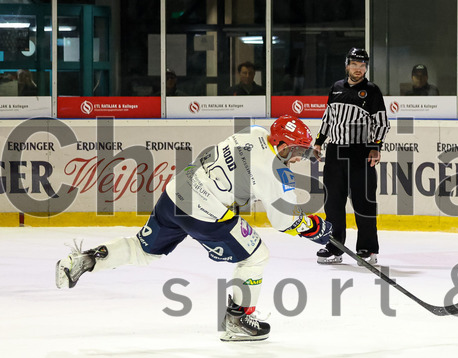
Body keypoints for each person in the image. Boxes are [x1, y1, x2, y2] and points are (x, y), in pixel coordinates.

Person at [54, 116, 333, 342]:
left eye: (302, 152)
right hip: (204, 211)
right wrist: (313, 227)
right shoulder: (276, 173)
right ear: (282, 144)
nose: (298, 157)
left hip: (178, 190)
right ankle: (237, 320)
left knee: (142, 249)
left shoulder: (255, 131)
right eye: (296, 150)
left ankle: (85, 260)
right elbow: (285, 221)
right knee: (256, 256)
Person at [314, 47, 390, 265]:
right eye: (355, 64)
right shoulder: (336, 88)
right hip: (335, 152)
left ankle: (367, 249)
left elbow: (382, 123)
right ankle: (334, 246)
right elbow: (328, 119)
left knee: (363, 202)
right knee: (333, 203)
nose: (358, 69)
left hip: (361, 152)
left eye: (362, 65)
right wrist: (319, 142)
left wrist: (375, 146)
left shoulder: (372, 91)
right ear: (347, 65)